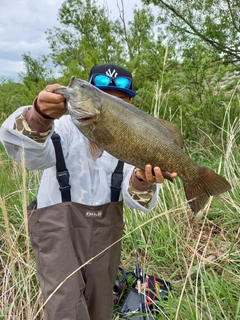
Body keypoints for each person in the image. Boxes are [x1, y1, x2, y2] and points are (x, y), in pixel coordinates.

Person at [0, 63, 177, 320]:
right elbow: (24, 151)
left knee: (100, 305)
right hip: (57, 231)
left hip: (107, 234)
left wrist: (142, 179)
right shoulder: (60, 128)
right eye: (104, 97)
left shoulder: (134, 141)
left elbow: (137, 200)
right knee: (65, 308)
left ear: (130, 106)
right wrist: (39, 116)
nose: (114, 107)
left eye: (121, 101)